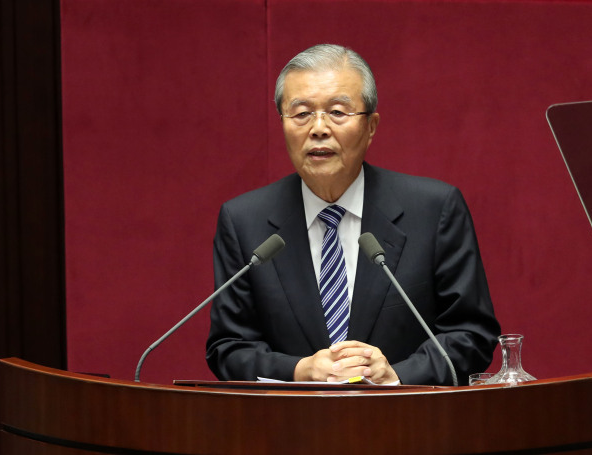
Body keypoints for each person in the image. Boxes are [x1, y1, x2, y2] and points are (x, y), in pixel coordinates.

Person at [206, 44, 500, 385]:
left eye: (337, 112)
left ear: (371, 126)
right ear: (283, 124)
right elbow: (228, 347)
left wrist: (395, 376)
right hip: (290, 430)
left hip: (411, 427)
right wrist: (301, 370)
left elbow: (472, 334)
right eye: (301, 114)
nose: (318, 128)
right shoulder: (245, 221)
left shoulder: (435, 210)